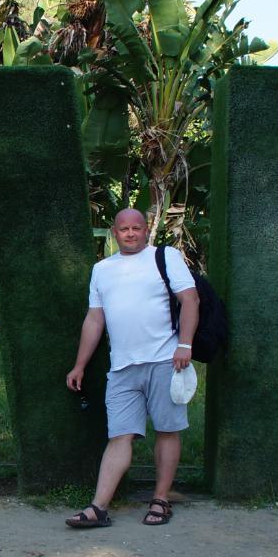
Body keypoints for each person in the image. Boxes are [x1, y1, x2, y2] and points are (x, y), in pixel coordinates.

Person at [63, 208, 197, 528]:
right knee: (120, 436)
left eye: (137, 228)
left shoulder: (164, 258)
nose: (131, 234)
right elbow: (95, 319)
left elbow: (190, 300)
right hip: (122, 367)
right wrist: (80, 365)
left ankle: (161, 500)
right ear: (114, 231)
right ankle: (98, 508)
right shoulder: (101, 270)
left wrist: (185, 345)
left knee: (167, 429)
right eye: (124, 229)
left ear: (146, 228)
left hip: (166, 360)